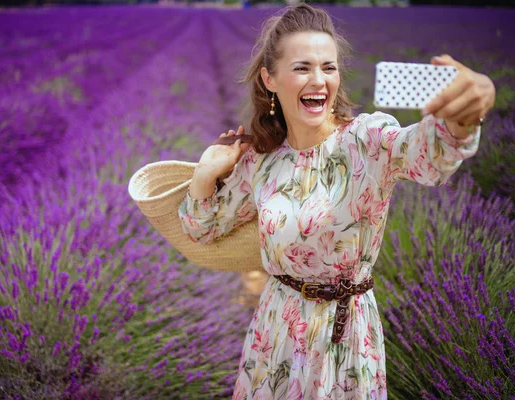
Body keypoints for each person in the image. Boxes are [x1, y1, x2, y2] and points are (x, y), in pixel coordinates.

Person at [178, 3, 495, 399]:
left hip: (345, 339)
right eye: (302, 67)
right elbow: (201, 227)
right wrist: (206, 174)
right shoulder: (262, 161)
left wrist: (464, 115)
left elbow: (430, 156)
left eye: (328, 67)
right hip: (276, 332)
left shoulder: (367, 140)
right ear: (270, 79)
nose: (318, 80)